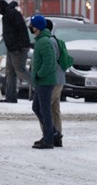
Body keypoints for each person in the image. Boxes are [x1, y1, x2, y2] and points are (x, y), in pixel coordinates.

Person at [0, 0, 31, 103]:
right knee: (10, 72)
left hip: (18, 48)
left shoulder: (12, 14)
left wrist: (17, 48)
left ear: (1, 7)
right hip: (12, 48)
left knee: (20, 70)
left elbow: (20, 31)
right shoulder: (8, 15)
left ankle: (40, 88)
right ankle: (11, 97)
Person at [28, 14, 58, 149]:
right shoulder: (40, 40)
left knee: (44, 110)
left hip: (45, 81)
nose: (30, 27)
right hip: (41, 81)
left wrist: (39, 74)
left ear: (37, 27)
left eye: (32, 25)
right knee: (37, 108)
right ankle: (53, 133)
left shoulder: (44, 42)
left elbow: (49, 62)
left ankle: (48, 140)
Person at [45, 19, 65, 148]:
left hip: (51, 80)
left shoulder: (48, 43)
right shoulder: (57, 41)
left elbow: (49, 62)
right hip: (60, 78)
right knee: (55, 109)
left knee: (44, 108)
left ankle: (50, 136)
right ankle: (57, 135)